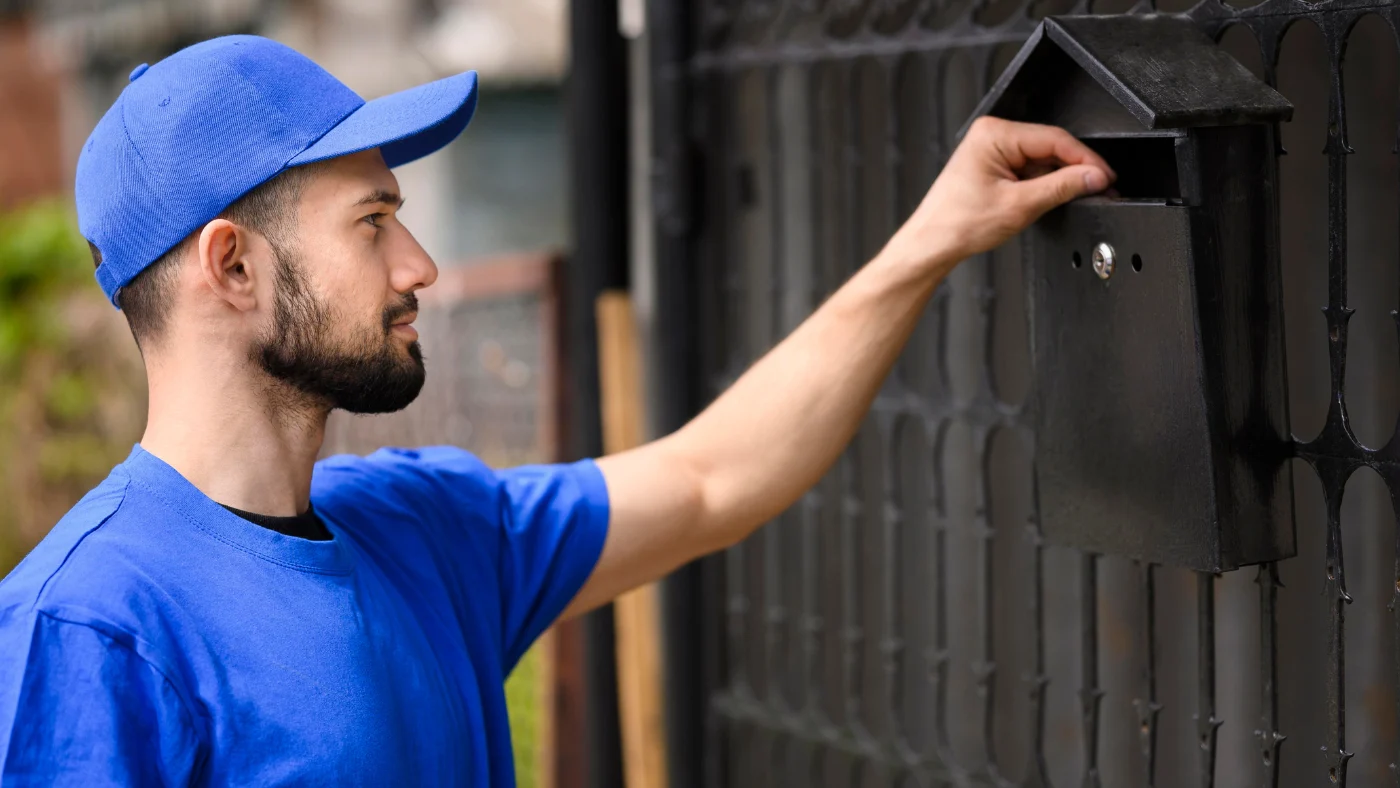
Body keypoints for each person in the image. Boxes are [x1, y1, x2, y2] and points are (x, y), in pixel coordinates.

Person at [0, 35, 1113, 787]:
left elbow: (710, 478)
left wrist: (932, 236)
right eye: (374, 220)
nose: (421, 264)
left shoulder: (425, 527)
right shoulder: (89, 632)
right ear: (232, 268)